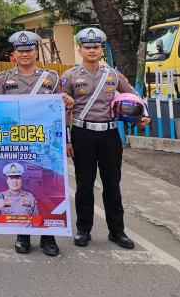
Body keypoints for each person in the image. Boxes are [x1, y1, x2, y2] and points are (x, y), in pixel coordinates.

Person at [60, 27, 150, 249]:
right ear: (80, 50)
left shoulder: (113, 75)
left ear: (102, 50)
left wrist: (142, 117)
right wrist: (67, 140)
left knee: (112, 183)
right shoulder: (69, 77)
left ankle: (117, 231)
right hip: (82, 134)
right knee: (84, 184)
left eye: (96, 47)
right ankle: (83, 229)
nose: (92, 50)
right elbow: (61, 109)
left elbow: (133, 96)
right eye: (87, 47)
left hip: (109, 135)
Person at [0, 30, 73, 256]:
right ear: (14, 54)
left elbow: (59, 113)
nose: (25, 54)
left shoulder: (51, 79)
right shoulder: (3, 79)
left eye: (29, 50)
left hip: (45, 147)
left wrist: (66, 133)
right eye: (20, 50)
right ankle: (23, 234)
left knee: (47, 189)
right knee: (19, 189)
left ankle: (49, 236)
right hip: (17, 146)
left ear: (36, 52)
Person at [0, 162, 39, 234]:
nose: (14, 181)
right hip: (6, 235)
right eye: (11, 178)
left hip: (25, 235)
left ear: (21, 180)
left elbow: (36, 221)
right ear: (7, 181)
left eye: (17, 178)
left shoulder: (30, 197)